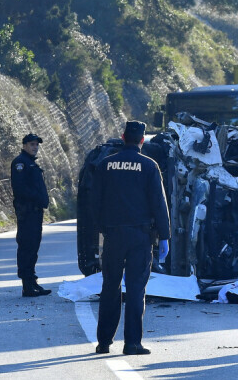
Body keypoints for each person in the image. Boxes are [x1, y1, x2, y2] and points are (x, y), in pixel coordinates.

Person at [90, 121, 171, 356]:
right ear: (142, 140)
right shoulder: (149, 166)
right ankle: (132, 343)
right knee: (136, 288)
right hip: (140, 237)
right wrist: (164, 237)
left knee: (110, 287)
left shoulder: (105, 165)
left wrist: (101, 229)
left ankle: (104, 342)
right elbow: (159, 203)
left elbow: (94, 202)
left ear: (123, 137)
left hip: (113, 235)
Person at [10, 133, 52, 297]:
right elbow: (20, 189)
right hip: (27, 212)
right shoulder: (20, 163)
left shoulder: (31, 164)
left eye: (36, 145)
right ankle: (26, 285)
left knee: (34, 247)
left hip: (35, 212)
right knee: (26, 246)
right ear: (24, 145)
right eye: (32, 144)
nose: (35, 147)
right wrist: (37, 198)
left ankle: (32, 281)